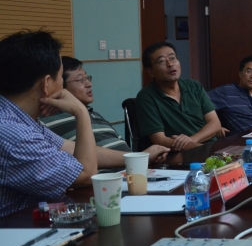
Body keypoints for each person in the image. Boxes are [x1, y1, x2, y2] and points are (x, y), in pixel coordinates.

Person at [0, 31, 97, 217]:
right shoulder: (15, 134)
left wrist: (136, 156)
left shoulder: (17, 117)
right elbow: (86, 174)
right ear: (46, 83)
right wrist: (81, 112)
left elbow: (71, 148)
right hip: (19, 230)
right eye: (60, 77)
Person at [41, 57, 169, 168]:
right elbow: (81, 157)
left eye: (87, 78)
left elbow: (123, 148)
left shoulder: (94, 114)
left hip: (134, 171)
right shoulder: (46, 121)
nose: (89, 84)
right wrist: (140, 157)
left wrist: (142, 158)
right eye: (80, 80)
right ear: (60, 86)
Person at [136, 42, 223, 152]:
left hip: (208, 147)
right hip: (179, 154)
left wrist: (192, 140)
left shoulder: (194, 86)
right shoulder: (146, 97)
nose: (170, 64)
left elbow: (215, 123)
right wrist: (196, 148)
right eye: (161, 61)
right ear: (150, 71)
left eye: (172, 58)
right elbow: (160, 140)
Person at [208, 55, 252, 134]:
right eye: (249, 71)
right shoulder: (226, 92)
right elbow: (200, 104)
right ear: (240, 74)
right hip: (246, 139)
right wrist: (216, 127)